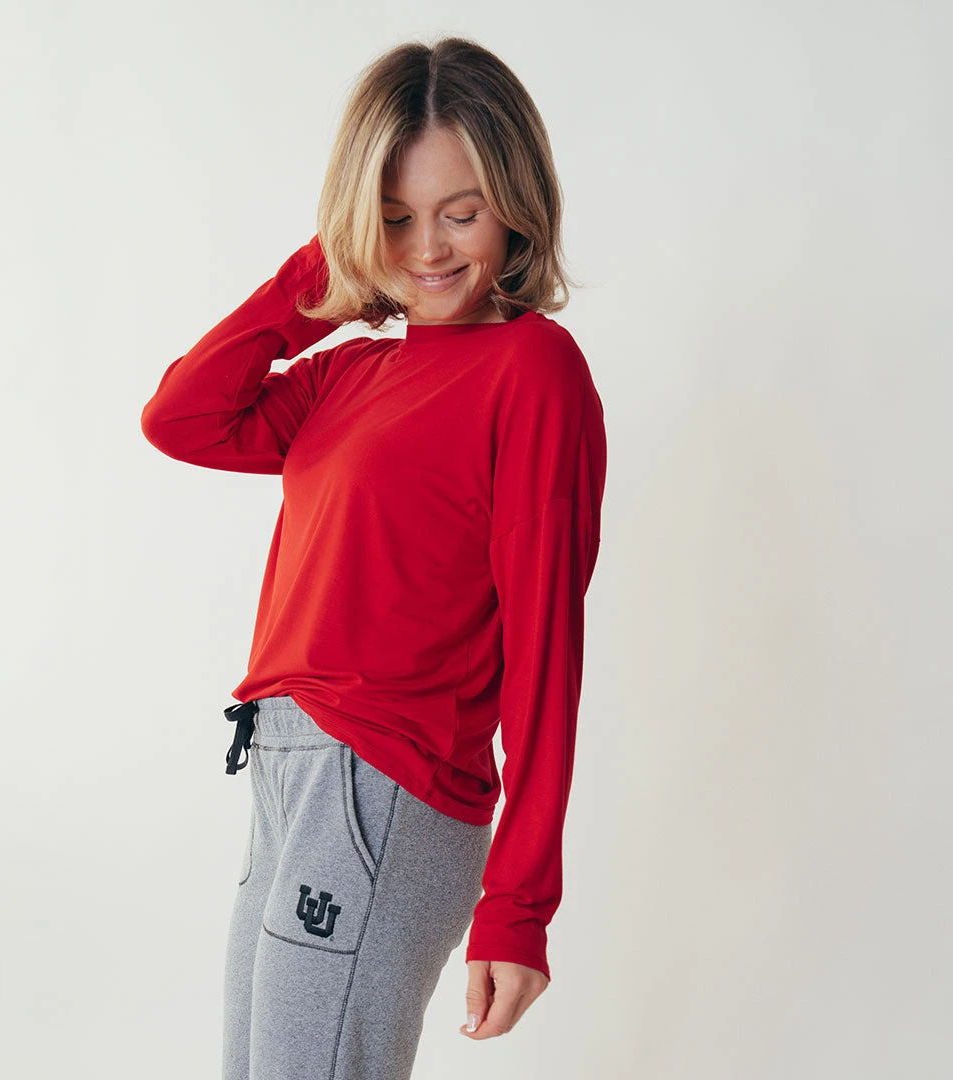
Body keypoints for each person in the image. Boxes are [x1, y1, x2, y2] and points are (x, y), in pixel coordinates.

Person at [140, 34, 607, 1080]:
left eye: (461, 213)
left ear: (517, 204)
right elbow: (182, 417)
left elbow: (547, 645)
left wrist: (520, 904)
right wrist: (328, 272)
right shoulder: (347, 376)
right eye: (394, 217)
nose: (427, 249)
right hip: (285, 773)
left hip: (386, 784)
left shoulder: (531, 369)